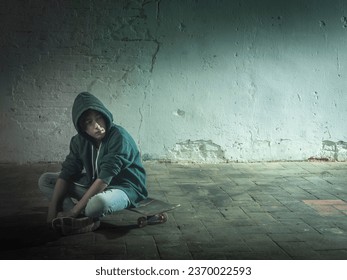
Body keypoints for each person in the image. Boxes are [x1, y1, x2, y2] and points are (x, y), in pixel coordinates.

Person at [38, 92, 147, 235]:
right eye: (89, 122)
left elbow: (104, 178)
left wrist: (74, 211)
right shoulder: (78, 141)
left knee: (96, 205)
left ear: (105, 115)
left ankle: (79, 216)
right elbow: (67, 172)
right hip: (94, 183)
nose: (97, 126)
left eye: (99, 118)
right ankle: (74, 219)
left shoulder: (119, 137)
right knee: (46, 180)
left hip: (124, 188)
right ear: (82, 127)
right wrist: (52, 212)